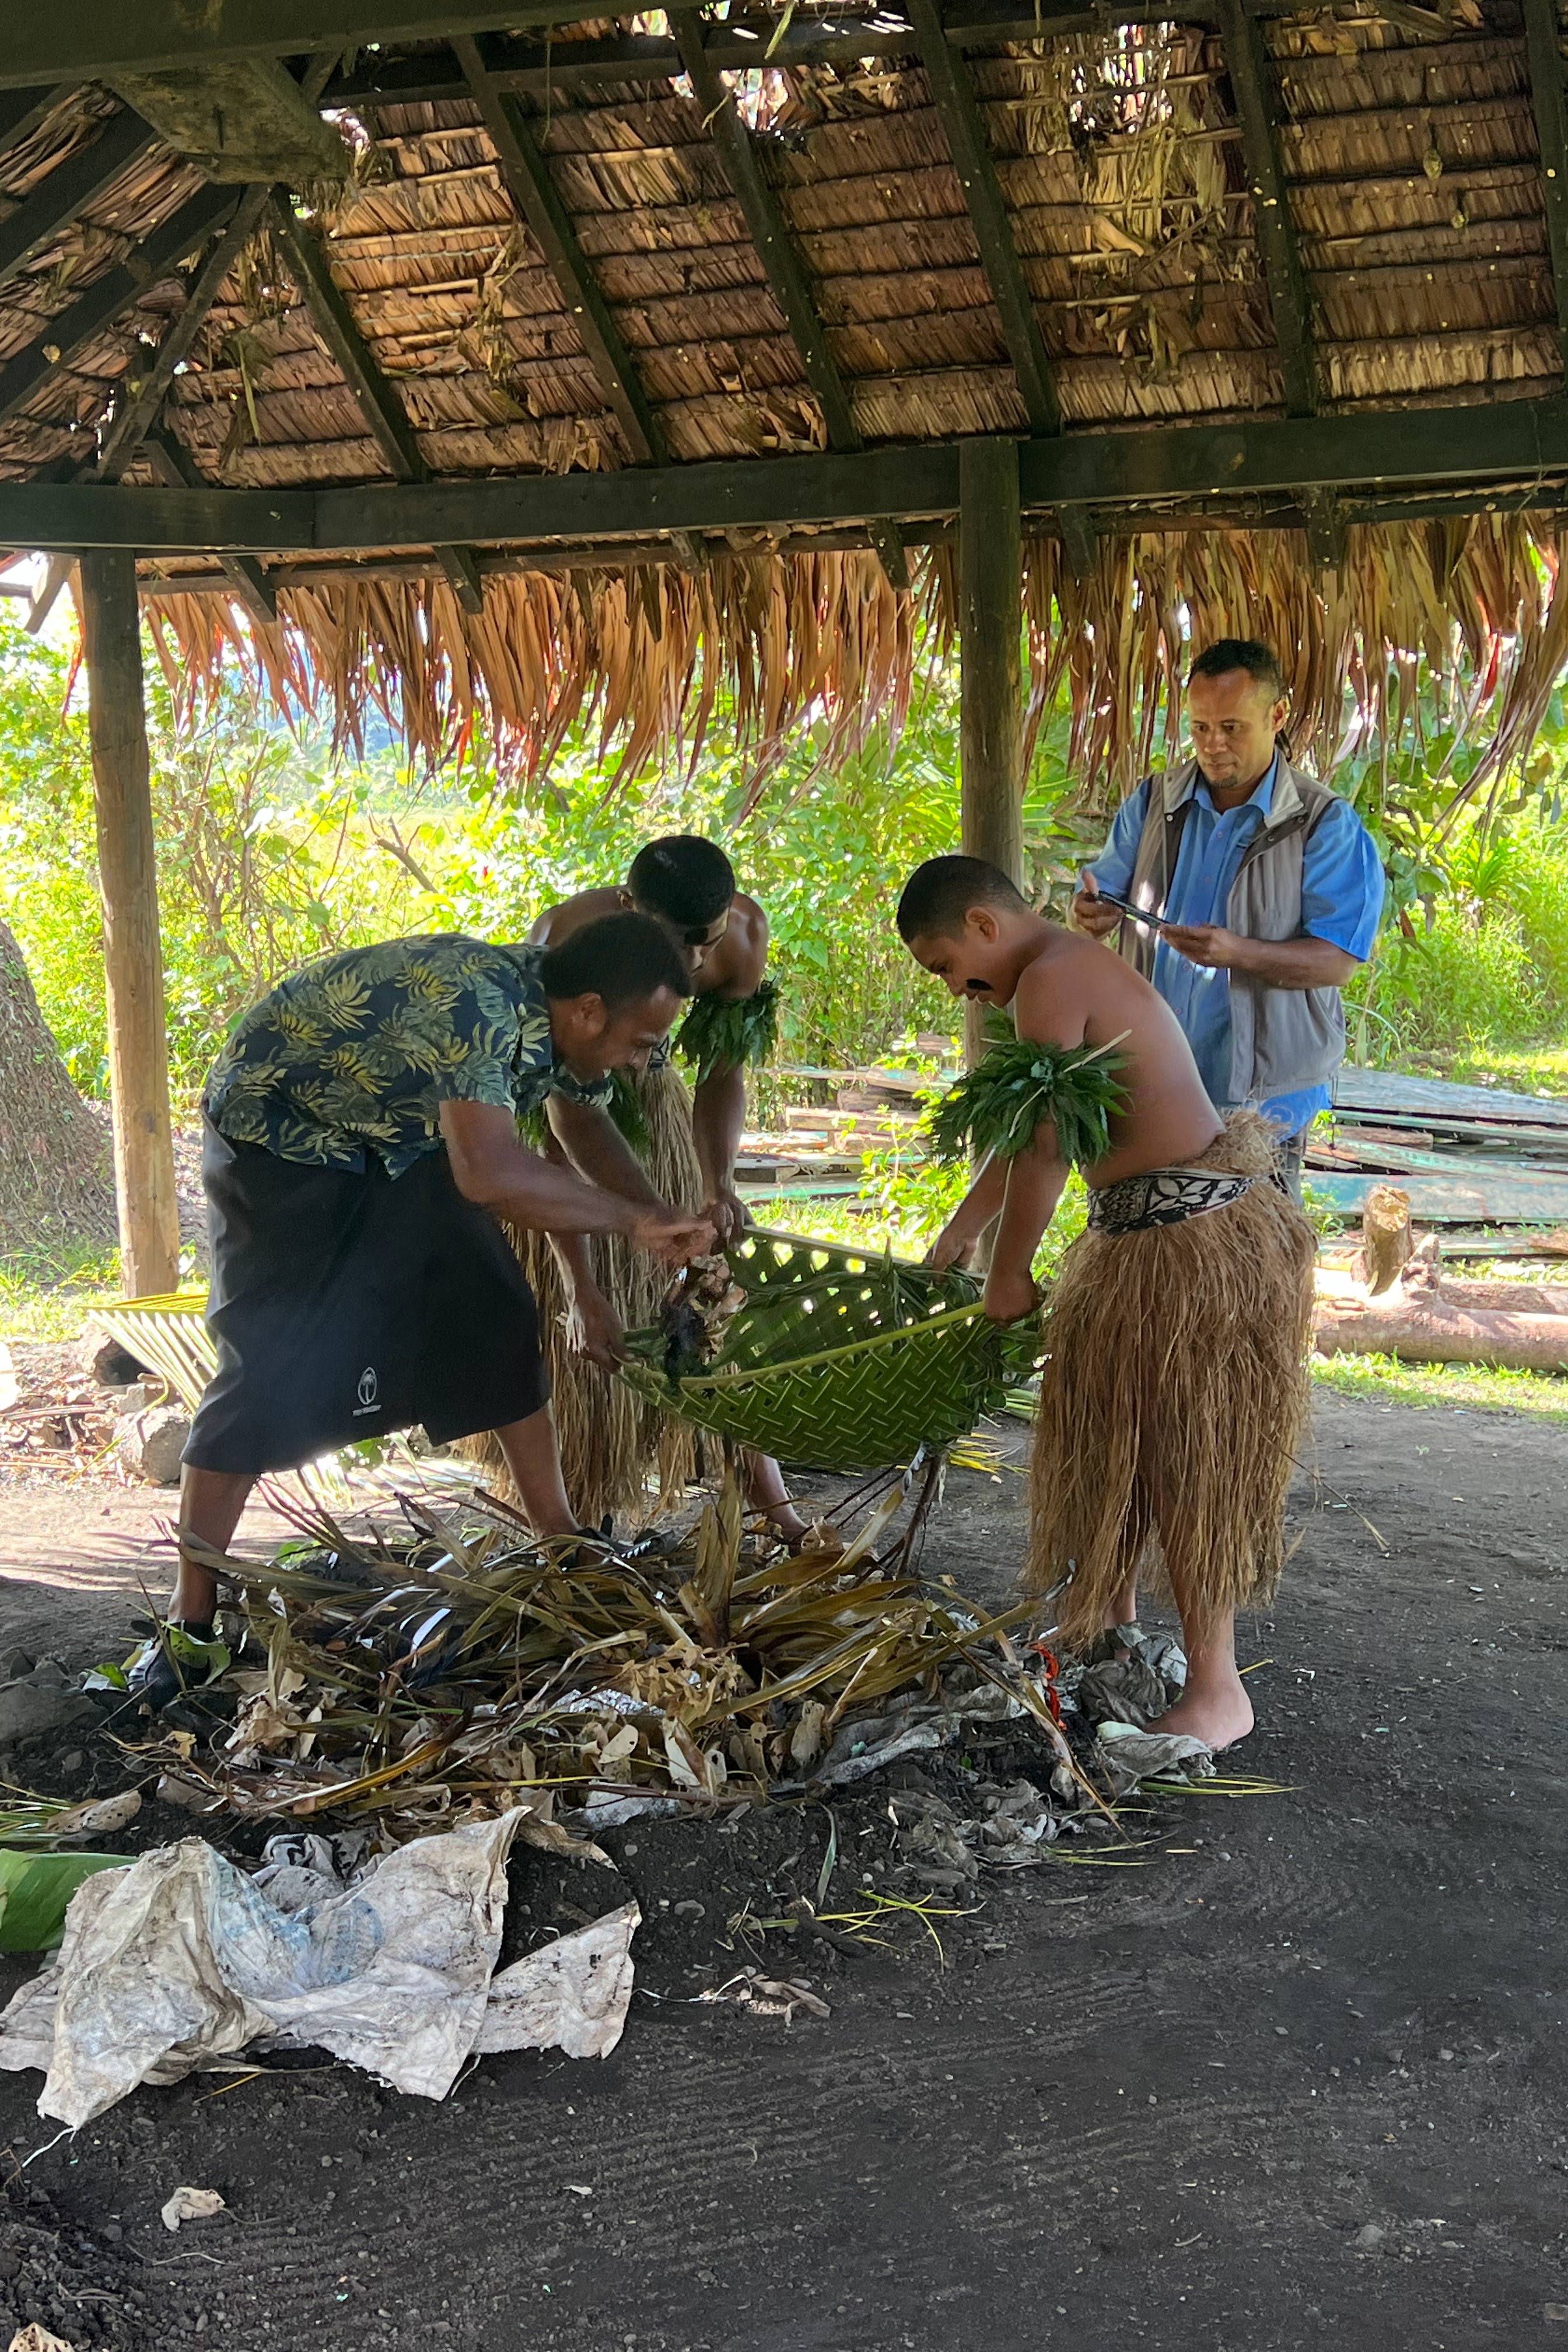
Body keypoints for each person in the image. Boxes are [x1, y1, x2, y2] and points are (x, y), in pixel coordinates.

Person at [132, 915, 713, 1706]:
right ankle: (189, 1623)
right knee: (267, 1369)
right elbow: (488, 1174)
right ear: (587, 1012)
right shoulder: (480, 1010)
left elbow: (579, 1122)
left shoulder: (556, 1016)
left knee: (497, 1316)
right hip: (282, 1138)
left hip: (394, 1139)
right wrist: (628, 1222)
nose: (645, 1060)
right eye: (644, 1042)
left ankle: (564, 1546)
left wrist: (656, 1215)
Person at [897, 856, 1317, 1751]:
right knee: (1108, 1430)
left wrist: (1010, 1272)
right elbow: (1026, 1138)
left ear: (982, 925)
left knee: (1180, 1455)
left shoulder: (1050, 979)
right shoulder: (1050, 978)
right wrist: (964, 1235)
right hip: (1144, 1237)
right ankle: (1106, 1618)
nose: (957, 991)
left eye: (945, 966)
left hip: (1190, 1247)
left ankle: (1218, 1691)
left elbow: (1048, 1149)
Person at [481, 834, 802, 1541]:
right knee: (596, 1333)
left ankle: (774, 1506)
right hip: (578, 1122)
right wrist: (585, 1276)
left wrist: (716, 1182)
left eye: (704, 944)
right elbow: (565, 1121)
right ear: (628, 909)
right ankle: (582, 1515)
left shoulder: (742, 938)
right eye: (672, 943)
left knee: (711, 1303)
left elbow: (723, 1070)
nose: (690, 963)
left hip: (662, 1115)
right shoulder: (565, 940)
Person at [1073, 638, 1384, 1194]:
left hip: (1264, 1103)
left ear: (1278, 715)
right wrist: (1093, 912)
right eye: (1199, 728)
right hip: (1149, 1084)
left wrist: (1235, 953)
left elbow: (1337, 963)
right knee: (1149, 1261)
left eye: (1232, 728)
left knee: (1257, 1266)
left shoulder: (1323, 825)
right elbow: (1104, 891)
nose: (1213, 746)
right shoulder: (1151, 804)